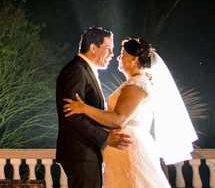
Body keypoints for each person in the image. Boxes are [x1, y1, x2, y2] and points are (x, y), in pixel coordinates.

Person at [63, 38, 198, 188]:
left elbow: (119, 119)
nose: (119, 57)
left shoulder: (137, 84)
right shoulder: (132, 82)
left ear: (134, 58)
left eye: (123, 54)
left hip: (129, 149)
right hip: (121, 149)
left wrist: (84, 108)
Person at [56, 27, 132, 188]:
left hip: (86, 151)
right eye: (109, 49)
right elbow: (72, 114)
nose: (112, 54)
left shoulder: (84, 70)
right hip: (80, 151)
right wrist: (105, 137)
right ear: (93, 47)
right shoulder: (75, 71)